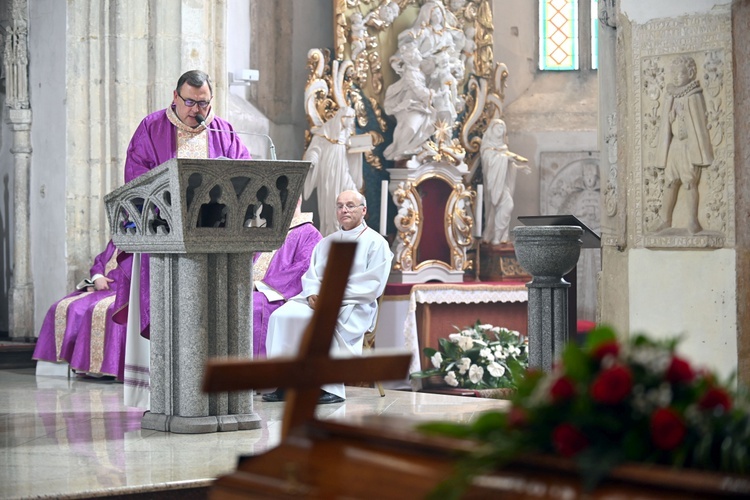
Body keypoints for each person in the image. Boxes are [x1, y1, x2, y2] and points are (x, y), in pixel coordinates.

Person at [115, 69, 251, 407]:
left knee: (215, 321)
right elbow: (137, 181)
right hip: (165, 242)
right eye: (189, 102)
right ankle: (168, 393)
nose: (196, 110)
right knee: (171, 321)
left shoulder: (224, 132)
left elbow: (246, 174)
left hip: (215, 243)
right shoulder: (152, 128)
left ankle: (214, 393)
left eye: (203, 103)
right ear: (174, 98)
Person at [262, 190, 393, 404]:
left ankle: (330, 388)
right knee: (281, 316)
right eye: (340, 206)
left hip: (353, 304)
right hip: (317, 300)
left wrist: (332, 296)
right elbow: (311, 274)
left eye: (350, 205)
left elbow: (372, 284)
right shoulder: (327, 242)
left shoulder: (376, 243)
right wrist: (313, 293)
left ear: (364, 210)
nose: (344, 210)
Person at [33, 240, 129, 379]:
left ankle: (102, 369)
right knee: (64, 307)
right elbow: (100, 261)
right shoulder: (116, 240)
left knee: (102, 310)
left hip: (123, 292)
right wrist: (98, 277)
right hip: (103, 290)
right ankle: (60, 367)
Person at [253, 198, 322, 358]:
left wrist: (260, 286)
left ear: (297, 200)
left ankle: (256, 373)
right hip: (256, 289)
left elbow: (303, 269)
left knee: (252, 305)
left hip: (277, 295)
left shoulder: (310, 233)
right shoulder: (269, 231)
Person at [654, 55, 714, 234]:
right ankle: (665, 220)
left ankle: (692, 221)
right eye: (674, 73)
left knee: (689, 183)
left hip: (689, 144)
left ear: (690, 73)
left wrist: (683, 115)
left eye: (680, 73)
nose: (676, 77)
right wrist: (671, 117)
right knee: (670, 182)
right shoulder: (671, 94)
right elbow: (666, 120)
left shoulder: (694, 94)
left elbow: (699, 120)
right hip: (675, 146)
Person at [302, 106, 363, 236]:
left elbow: (352, 152)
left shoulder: (346, 132)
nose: (351, 122)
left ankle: (349, 230)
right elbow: (315, 148)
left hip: (343, 170)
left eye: (353, 119)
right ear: (342, 117)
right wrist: (312, 158)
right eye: (350, 119)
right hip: (329, 173)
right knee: (331, 204)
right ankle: (331, 233)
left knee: (353, 192)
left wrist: (360, 148)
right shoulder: (326, 131)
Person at [383, 41, 437, 162]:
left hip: (420, 105)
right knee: (410, 127)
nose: (419, 55)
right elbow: (417, 89)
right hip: (410, 105)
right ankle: (399, 150)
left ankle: (412, 147)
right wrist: (430, 94)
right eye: (417, 54)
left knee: (420, 127)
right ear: (411, 58)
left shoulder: (418, 72)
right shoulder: (410, 73)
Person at [480, 118, 530, 245]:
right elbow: (489, 163)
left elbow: (509, 166)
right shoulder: (487, 148)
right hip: (494, 185)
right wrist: (505, 158)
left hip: (503, 184)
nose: (500, 130)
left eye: (502, 128)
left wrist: (519, 167)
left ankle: (501, 236)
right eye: (498, 127)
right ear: (492, 129)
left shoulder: (503, 147)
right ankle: (496, 237)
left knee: (508, 205)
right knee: (498, 207)